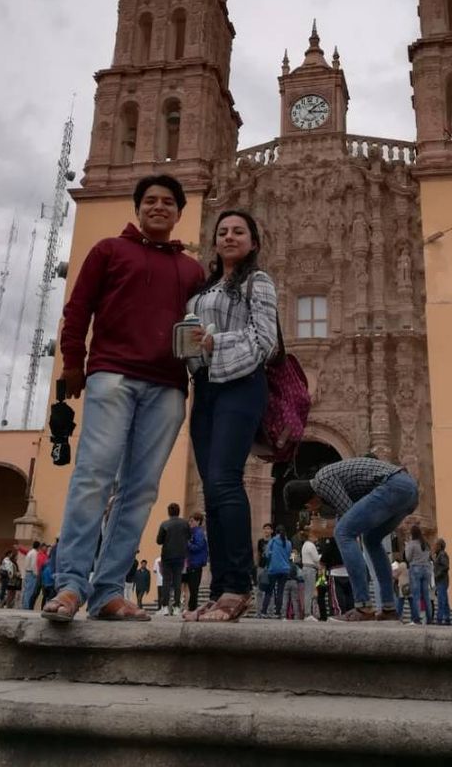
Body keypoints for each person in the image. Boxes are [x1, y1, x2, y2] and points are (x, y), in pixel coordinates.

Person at [43, 175, 204, 624]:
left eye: (168, 202)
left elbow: (196, 329)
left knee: (140, 491)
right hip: (112, 375)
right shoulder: (108, 251)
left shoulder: (192, 270)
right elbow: (77, 309)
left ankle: (109, 591)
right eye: (150, 200)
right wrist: (73, 363)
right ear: (138, 208)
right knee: (93, 475)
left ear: (178, 212)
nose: (159, 207)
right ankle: (71, 585)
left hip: (169, 387)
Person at [182, 211, 278, 624]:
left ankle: (239, 585)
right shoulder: (204, 290)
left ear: (254, 242)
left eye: (239, 231)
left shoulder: (259, 282)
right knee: (211, 490)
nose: (229, 236)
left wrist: (213, 341)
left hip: (241, 384)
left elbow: (265, 340)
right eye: (222, 232)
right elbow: (193, 342)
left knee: (224, 480)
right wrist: (188, 346)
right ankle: (221, 588)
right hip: (204, 388)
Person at [284, 456, 419, 623]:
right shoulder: (331, 480)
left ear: (307, 503)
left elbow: (348, 519)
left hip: (393, 486)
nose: (312, 511)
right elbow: (350, 515)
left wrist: (323, 529)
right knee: (371, 539)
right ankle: (389, 608)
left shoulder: (322, 481)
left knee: (342, 533)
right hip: (409, 489)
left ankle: (363, 606)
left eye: (307, 508)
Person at [156, 502, 190, 616]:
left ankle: (165, 607)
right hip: (180, 556)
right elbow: (189, 536)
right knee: (177, 581)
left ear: (169, 512)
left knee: (166, 582)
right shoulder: (185, 524)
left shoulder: (164, 524)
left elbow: (159, 541)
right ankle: (176, 608)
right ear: (178, 511)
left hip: (167, 556)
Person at [259, 525, 293, 618]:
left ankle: (264, 611)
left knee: (269, 591)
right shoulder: (288, 543)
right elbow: (289, 554)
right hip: (285, 569)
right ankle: (278, 612)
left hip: (273, 569)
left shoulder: (272, 541)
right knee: (280, 592)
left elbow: (266, 554)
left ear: (276, 532)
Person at [404, 525, 432, 625]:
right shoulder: (426, 543)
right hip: (426, 569)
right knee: (426, 595)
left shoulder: (412, 544)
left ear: (412, 533)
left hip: (416, 568)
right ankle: (429, 618)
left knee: (416, 595)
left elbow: (408, 558)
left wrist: (406, 546)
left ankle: (416, 619)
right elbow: (429, 556)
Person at [185, 513, 208, 613]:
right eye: (189, 521)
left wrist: (187, 544)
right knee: (191, 587)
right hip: (192, 562)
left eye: (192, 521)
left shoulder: (198, 533)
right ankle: (191, 607)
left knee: (193, 588)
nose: (190, 523)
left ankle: (192, 608)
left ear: (198, 521)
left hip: (195, 563)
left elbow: (198, 547)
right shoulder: (193, 532)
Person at [300, 528, 320, 620]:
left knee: (307, 592)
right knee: (309, 592)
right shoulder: (311, 545)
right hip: (310, 569)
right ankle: (307, 613)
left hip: (305, 568)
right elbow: (316, 559)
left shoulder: (304, 545)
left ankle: (307, 612)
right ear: (311, 536)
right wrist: (321, 556)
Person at [433, 538, 451, 625]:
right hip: (440, 580)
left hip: (442, 580)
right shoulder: (439, 555)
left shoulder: (442, 555)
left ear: (440, 546)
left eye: (435, 545)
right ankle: (446, 618)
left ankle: (440, 618)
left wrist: (437, 575)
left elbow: (445, 567)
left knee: (441, 600)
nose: (434, 547)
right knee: (444, 599)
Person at [22, 541, 41, 610]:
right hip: (32, 573)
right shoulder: (34, 553)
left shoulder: (30, 552)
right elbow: (34, 564)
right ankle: (27, 606)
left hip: (27, 572)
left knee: (26, 590)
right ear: (38, 547)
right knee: (30, 591)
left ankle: (25, 605)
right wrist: (36, 574)